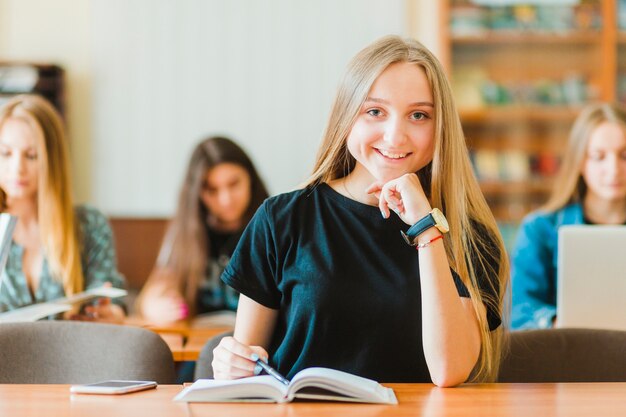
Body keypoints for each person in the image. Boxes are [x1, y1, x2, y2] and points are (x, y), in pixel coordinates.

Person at [211, 35, 509, 387]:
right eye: (375, 112)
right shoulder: (282, 219)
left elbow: (449, 370)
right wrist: (232, 364)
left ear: (440, 126)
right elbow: (247, 371)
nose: (395, 136)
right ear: (346, 117)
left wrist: (426, 227)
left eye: (418, 115)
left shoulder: (470, 237)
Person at [0, 94, 126, 322]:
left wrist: (110, 315)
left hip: (68, 355)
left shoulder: (89, 225)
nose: (17, 168)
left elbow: (114, 306)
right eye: (5, 153)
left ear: (52, 160)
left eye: (31, 155)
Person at [511, 103, 626, 330]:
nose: (613, 168)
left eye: (624, 155)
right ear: (580, 162)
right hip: (569, 356)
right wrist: (558, 324)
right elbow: (520, 313)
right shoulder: (539, 230)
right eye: (598, 156)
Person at [136, 136, 269, 324]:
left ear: (251, 179)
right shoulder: (186, 232)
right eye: (212, 190)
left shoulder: (274, 227)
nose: (226, 199)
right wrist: (155, 305)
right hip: (200, 341)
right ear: (197, 193)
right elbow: (153, 292)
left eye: (234, 184)